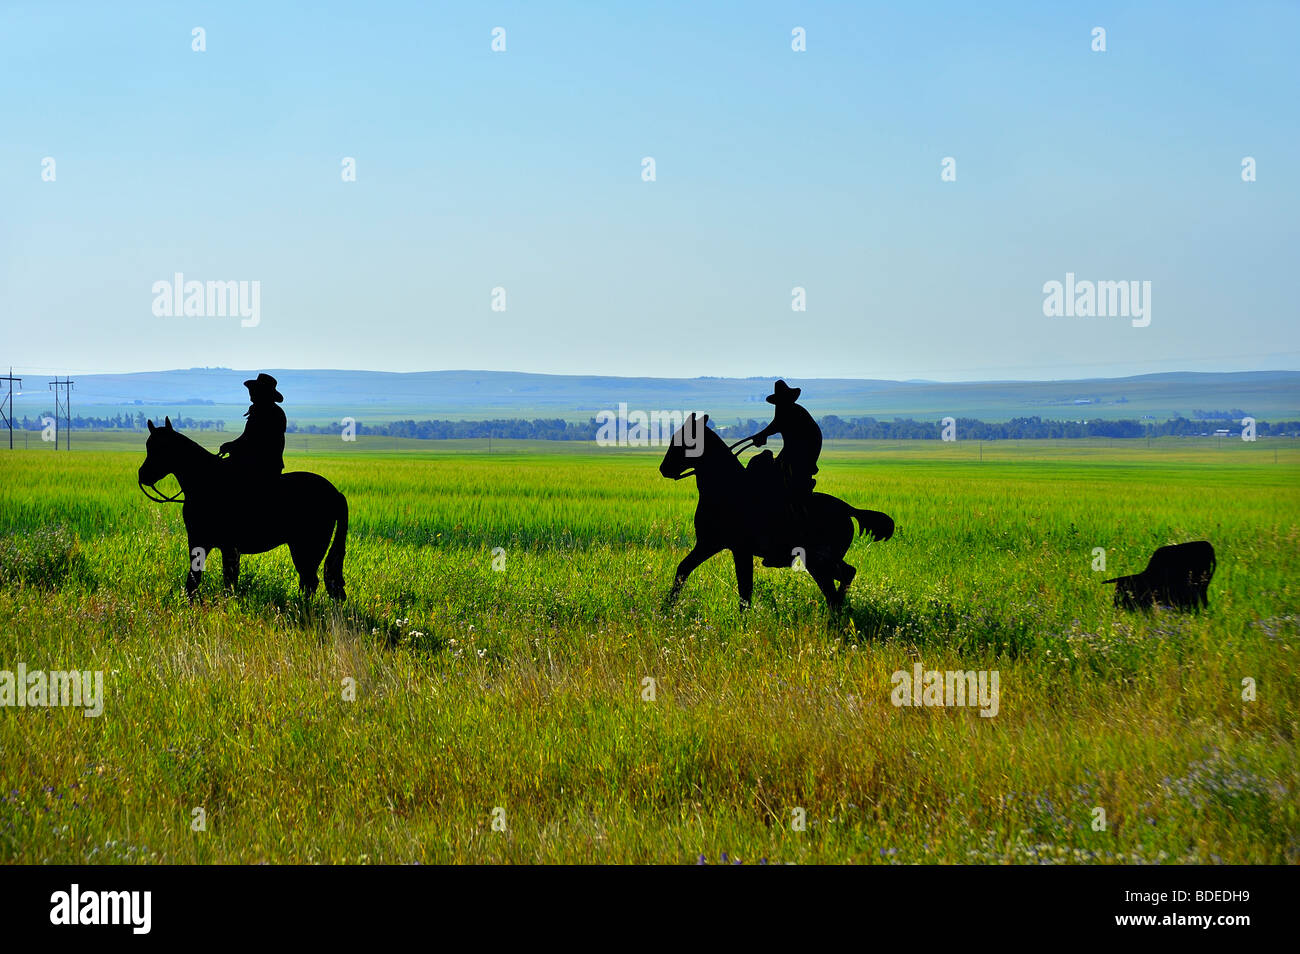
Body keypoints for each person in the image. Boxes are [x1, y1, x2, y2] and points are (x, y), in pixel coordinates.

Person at [745, 380, 823, 562]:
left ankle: (787, 533)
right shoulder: (786, 409)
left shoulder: (793, 411)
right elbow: (775, 425)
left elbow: (775, 426)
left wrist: (761, 435)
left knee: (780, 486)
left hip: (800, 455)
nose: (780, 403)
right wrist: (761, 435)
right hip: (792, 452)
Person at [219, 373, 286, 482]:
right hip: (257, 459)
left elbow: (255, 439)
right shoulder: (262, 409)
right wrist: (232, 445)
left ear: (263, 393)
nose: (251, 392)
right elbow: (248, 437)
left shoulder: (268, 411)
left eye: (254, 390)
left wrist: (232, 446)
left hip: (262, 462)